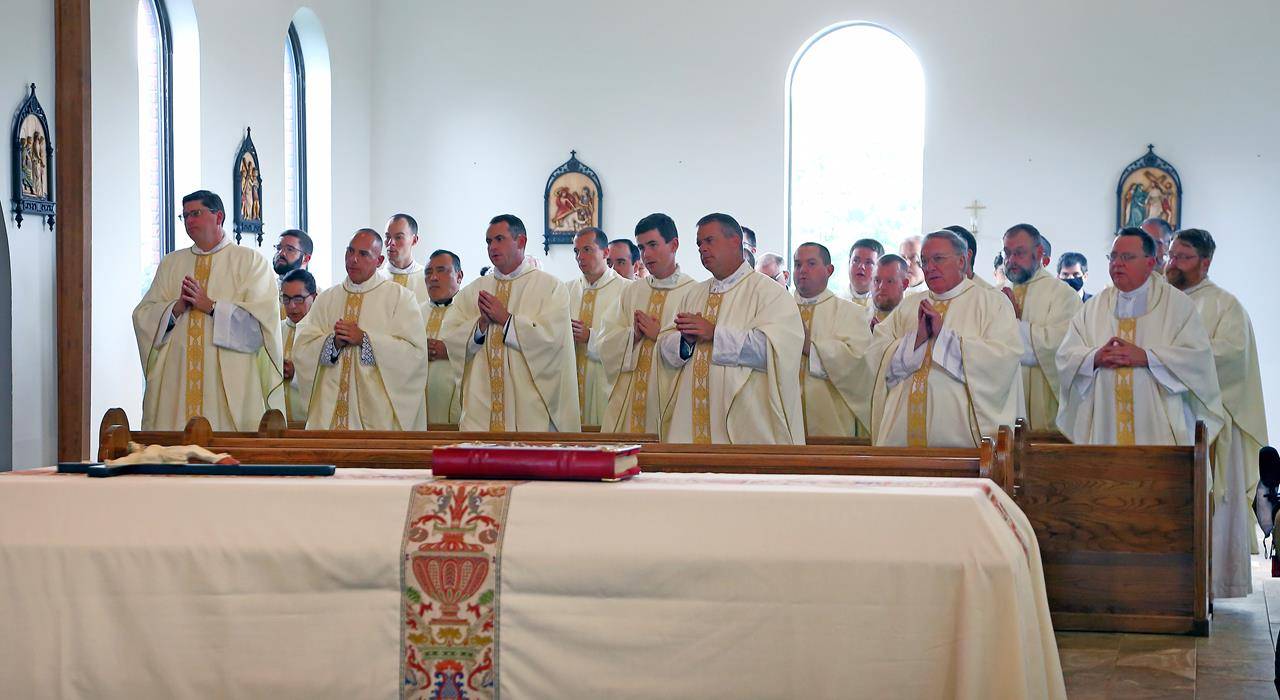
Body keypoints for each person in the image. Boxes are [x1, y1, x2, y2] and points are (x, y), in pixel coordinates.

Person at [1055, 228, 1224, 447]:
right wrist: (1095, 357)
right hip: (1105, 426)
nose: (1117, 264)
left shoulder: (1177, 305)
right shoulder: (1093, 307)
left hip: (1158, 429)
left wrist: (1147, 358)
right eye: (1113, 257)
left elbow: (1198, 359)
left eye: (1127, 257)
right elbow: (1065, 355)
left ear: (1150, 262)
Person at [1167, 228, 1267, 598]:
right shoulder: (1161, 302)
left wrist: (1177, 356)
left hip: (1213, 421)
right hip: (1168, 416)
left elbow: (1232, 356)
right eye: (1172, 255)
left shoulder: (1225, 305)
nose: (1173, 264)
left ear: (1205, 263)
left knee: (1214, 504)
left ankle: (1212, 583)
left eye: (1183, 257)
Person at [132, 190, 284, 430]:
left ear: (218, 216)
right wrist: (175, 309)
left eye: (196, 213)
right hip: (177, 384)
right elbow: (142, 316)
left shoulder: (250, 262)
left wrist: (212, 307)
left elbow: (260, 330)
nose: (189, 221)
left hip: (228, 387)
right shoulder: (171, 263)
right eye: (185, 216)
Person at [658, 213, 804, 444]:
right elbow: (665, 347)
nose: (702, 249)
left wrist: (714, 334)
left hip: (747, 428)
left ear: (735, 241)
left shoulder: (769, 293)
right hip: (690, 427)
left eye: (709, 241)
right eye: (699, 244)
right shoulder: (693, 294)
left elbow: (776, 351)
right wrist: (686, 342)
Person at [868, 230, 1021, 447]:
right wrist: (916, 340)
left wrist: (944, 338)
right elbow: (877, 356)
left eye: (938, 259)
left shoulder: (992, 303)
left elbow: (1003, 361)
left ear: (962, 261)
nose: (929, 267)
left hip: (962, 446)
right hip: (900, 443)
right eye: (924, 261)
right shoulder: (908, 305)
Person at [443, 215, 580, 431]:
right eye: (488, 241)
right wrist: (480, 326)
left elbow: (554, 344)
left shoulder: (551, 288)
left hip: (529, 414)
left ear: (521, 241)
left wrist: (506, 320)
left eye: (499, 239)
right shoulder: (473, 291)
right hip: (480, 412)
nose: (492, 247)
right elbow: (451, 337)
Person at [293, 229, 429, 430]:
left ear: (379, 260)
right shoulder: (327, 298)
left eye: (363, 254)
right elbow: (303, 347)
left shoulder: (399, 298)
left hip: (376, 418)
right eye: (350, 251)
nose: (353, 259)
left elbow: (415, 355)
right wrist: (332, 343)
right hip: (327, 417)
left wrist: (365, 340)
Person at [598, 213, 697, 434]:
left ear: (674, 245)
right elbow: (604, 342)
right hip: (628, 403)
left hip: (670, 406)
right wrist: (632, 335)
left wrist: (659, 334)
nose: (646, 254)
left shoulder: (693, 292)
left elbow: (698, 352)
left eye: (653, 245)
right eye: (641, 247)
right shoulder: (632, 291)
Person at [999, 224, 1082, 430]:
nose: (1011, 260)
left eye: (1019, 253)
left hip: (1046, 416)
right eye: (1007, 253)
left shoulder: (1063, 295)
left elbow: (1062, 346)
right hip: (1003, 411)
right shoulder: (996, 295)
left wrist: (1012, 325)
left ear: (1038, 253)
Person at [793, 242, 875, 437]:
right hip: (783, 428)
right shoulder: (779, 309)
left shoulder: (851, 312)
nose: (802, 270)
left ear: (829, 270)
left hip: (832, 427)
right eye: (797, 264)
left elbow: (860, 365)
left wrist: (811, 348)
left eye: (811, 263)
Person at [568, 227, 631, 426]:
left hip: (607, 389)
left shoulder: (627, 291)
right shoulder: (566, 290)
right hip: (570, 386)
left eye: (587, 250)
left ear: (605, 253)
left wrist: (591, 338)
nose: (580, 257)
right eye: (576, 251)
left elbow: (630, 341)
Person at [423, 249, 465, 425]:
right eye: (428, 272)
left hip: (459, 417)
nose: (433, 277)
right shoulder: (414, 313)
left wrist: (450, 350)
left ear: (459, 276)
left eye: (441, 270)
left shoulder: (471, 311)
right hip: (416, 417)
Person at [279, 269, 317, 425]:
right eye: (286, 299)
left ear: (314, 297)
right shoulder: (274, 331)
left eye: (298, 299)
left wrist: (296, 374)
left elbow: (331, 379)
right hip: (276, 423)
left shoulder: (321, 333)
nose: (291, 306)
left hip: (310, 422)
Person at [385, 213, 430, 310]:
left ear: (414, 240)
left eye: (398, 237)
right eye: (388, 237)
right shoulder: (376, 279)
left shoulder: (428, 280)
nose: (390, 243)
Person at [870, 254, 912, 328]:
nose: (881, 287)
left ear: (904, 284)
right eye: (877, 280)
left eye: (889, 281)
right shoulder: (859, 317)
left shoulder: (915, 320)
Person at [846, 238, 882, 307]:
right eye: (856, 261)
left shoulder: (888, 306)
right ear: (849, 263)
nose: (861, 266)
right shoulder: (833, 302)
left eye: (868, 262)